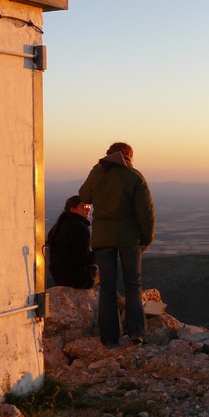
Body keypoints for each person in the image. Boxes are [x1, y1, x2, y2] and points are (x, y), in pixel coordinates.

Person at [79, 142, 155, 346]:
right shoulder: (134, 176)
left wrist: (96, 170)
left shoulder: (98, 173)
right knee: (133, 285)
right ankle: (136, 333)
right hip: (129, 239)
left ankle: (109, 338)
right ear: (128, 155)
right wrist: (146, 238)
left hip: (103, 239)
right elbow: (145, 212)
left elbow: (84, 195)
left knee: (107, 287)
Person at [46, 195, 97, 289]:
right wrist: (98, 255)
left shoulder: (58, 226)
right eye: (84, 207)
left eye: (89, 206)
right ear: (73, 210)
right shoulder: (79, 227)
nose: (88, 209)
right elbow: (82, 259)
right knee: (106, 269)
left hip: (59, 277)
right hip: (75, 279)